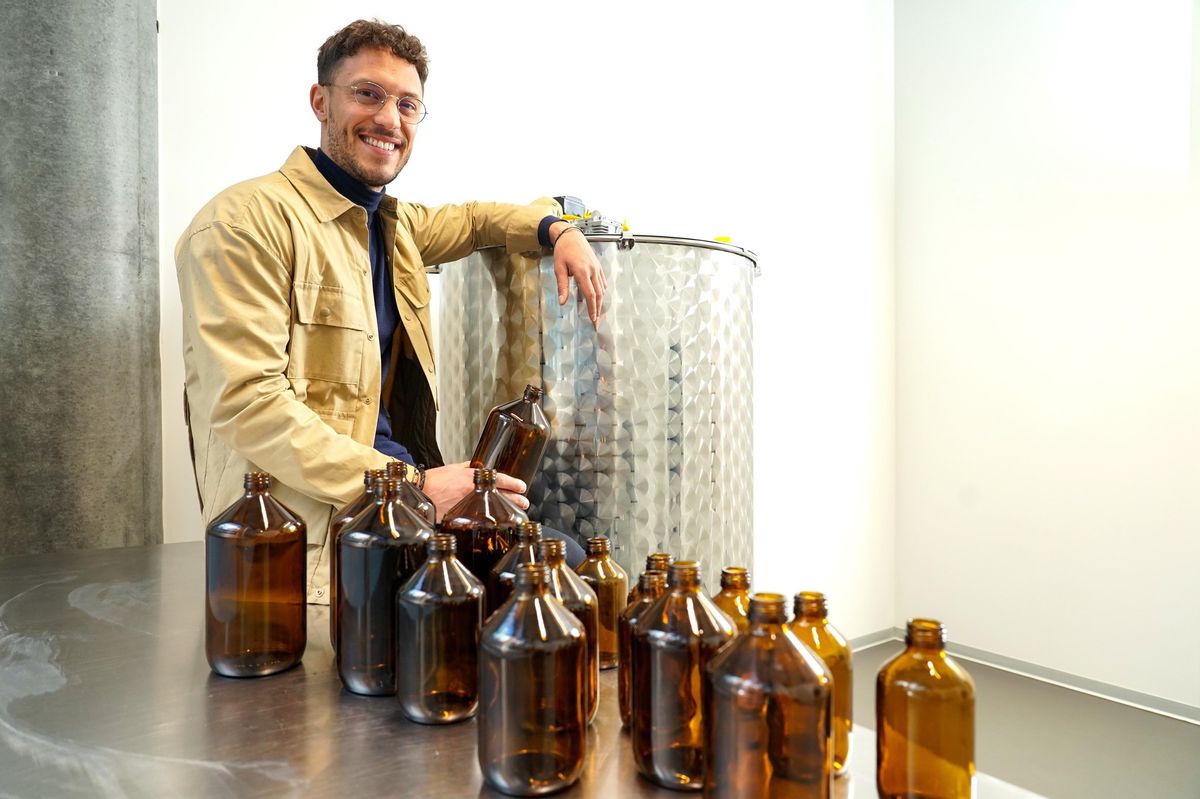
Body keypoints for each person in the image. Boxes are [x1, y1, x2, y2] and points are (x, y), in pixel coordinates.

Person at [176, 19, 605, 604]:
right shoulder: (243, 223)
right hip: (318, 531)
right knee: (544, 585)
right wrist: (417, 488)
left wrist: (559, 227)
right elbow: (247, 403)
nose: (389, 119)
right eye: (368, 94)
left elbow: (478, 220)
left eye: (407, 104)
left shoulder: (393, 226)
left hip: (402, 502)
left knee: (570, 561)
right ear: (320, 101)